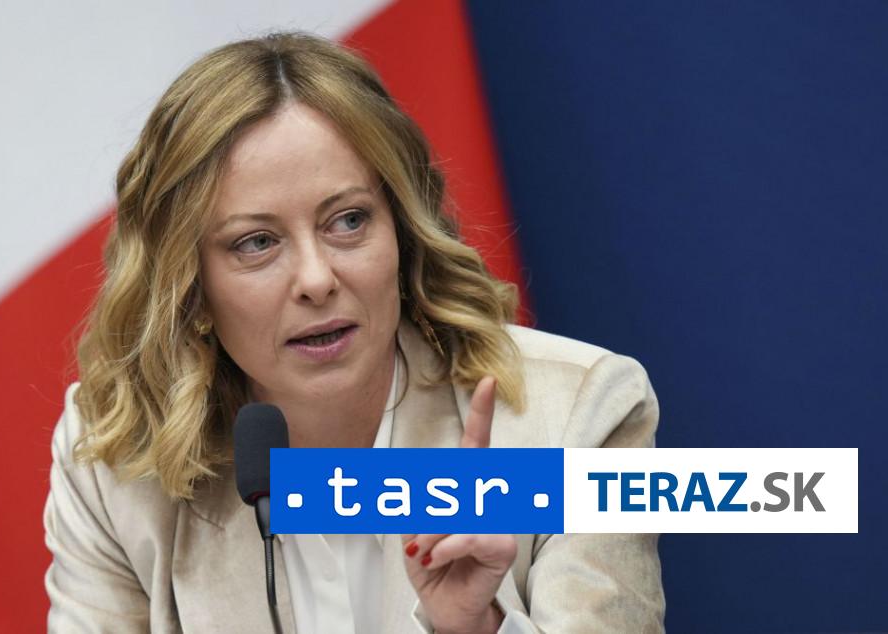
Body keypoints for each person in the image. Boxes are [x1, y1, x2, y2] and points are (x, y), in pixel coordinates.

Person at [44, 32, 664, 633]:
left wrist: (475, 629)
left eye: (347, 221)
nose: (316, 279)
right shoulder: (112, 461)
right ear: (190, 286)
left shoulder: (576, 419)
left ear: (402, 231)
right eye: (256, 243)